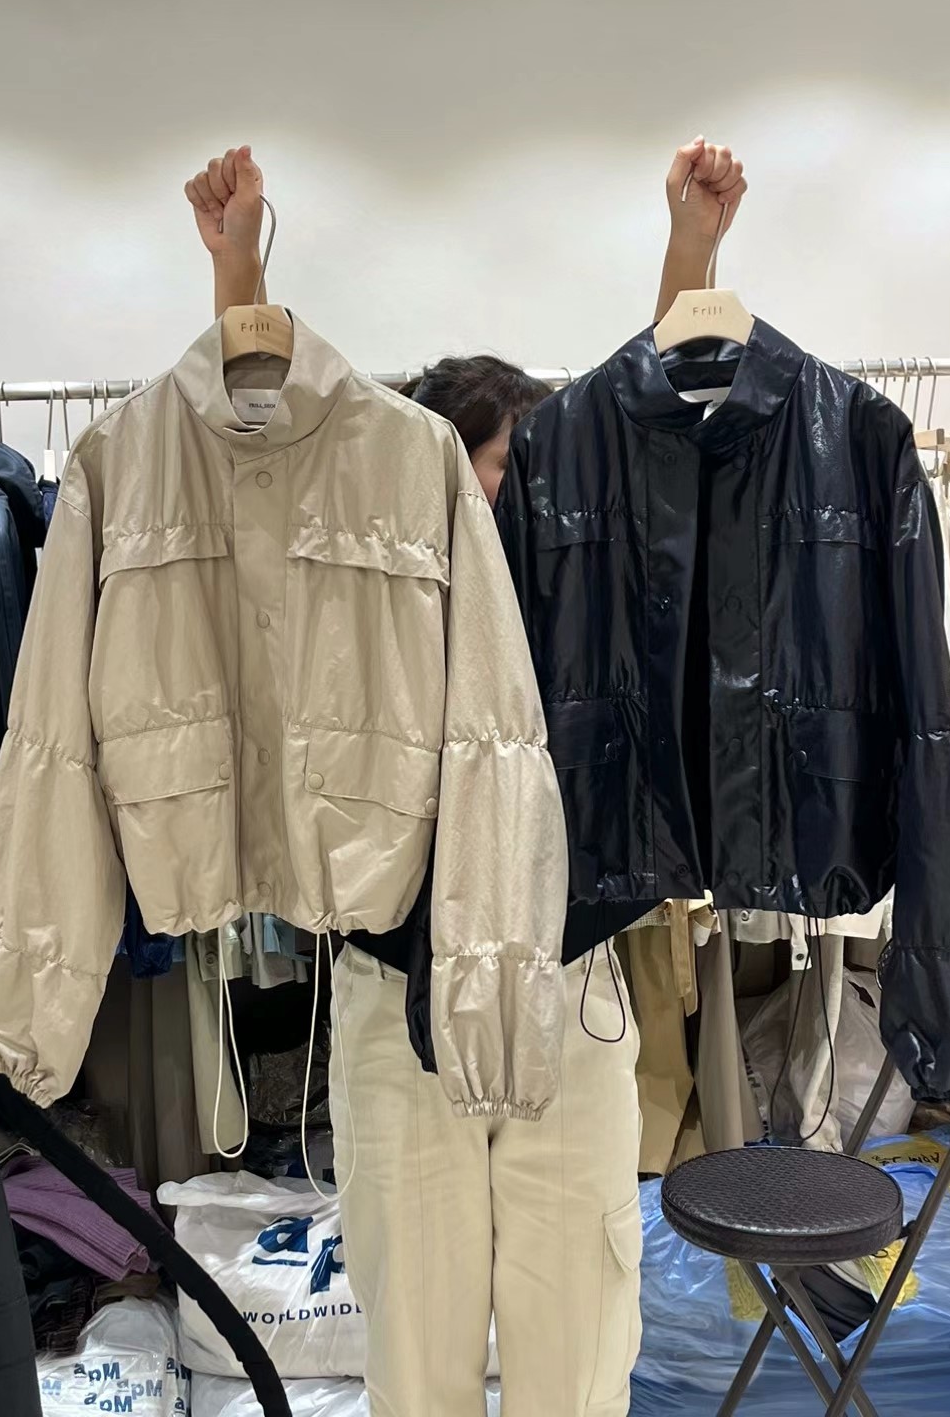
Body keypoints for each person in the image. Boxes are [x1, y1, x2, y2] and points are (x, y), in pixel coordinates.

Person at [185, 138, 747, 1417]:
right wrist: (237, 278)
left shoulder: (589, 597)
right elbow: (260, 471)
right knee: (420, 1356)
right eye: (492, 466)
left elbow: (658, 446)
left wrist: (691, 254)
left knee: (576, 1349)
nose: (512, 496)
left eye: (526, 471)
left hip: (567, 992)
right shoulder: (362, 600)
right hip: (399, 999)